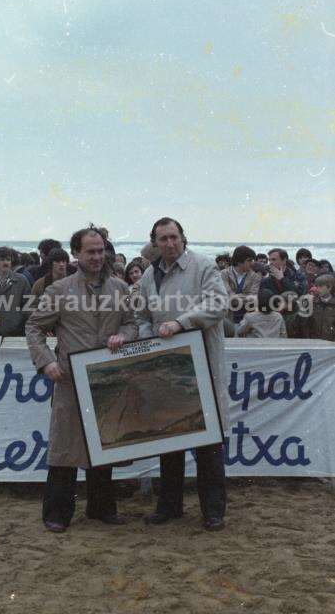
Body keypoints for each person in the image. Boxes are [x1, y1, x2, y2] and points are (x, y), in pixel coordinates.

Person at [26, 226, 137, 533]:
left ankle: (101, 508)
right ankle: (58, 513)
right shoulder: (59, 290)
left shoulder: (120, 288)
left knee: (104, 446)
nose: (97, 256)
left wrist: (122, 335)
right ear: (76, 254)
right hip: (69, 381)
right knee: (64, 449)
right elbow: (34, 328)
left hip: (107, 379)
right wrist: (46, 362)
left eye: (101, 250)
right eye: (90, 251)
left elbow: (132, 325)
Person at [136, 217, 229, 531]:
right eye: (162, 239)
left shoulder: (203, 267)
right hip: (167, 369)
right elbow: (142, 315)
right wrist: (149, 336)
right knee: (170, 441)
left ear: (182, 238)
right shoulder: (149, 274)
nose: (169, 244)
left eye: (174, 237)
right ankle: (170, 506)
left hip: (201, 366)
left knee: (209, 444)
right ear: (155, 243)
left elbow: (218, 305)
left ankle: (213, 511)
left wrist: (180, 324)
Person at [0, 246, 31, 337]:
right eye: (2, 259)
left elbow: (28, 306)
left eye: (8, 259)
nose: (5, 262)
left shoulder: (21, 280)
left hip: (17, 332)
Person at [220, 245, 261, 325]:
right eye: (249, 260)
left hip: (247, 319)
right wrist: (245, 296)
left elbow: (253, 298)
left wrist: (234, 297)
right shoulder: (224, 274)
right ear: (239, 261)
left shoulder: (255, 277)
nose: (252, 263)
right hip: (227, 316)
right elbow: (226, 296)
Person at [298, 275, 335, 341]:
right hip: (313, 342)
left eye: (320, 286)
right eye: (316, 286)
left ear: (329, 287)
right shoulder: (311, 303)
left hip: (331, 344)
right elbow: (305, 324)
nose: (317, 289)